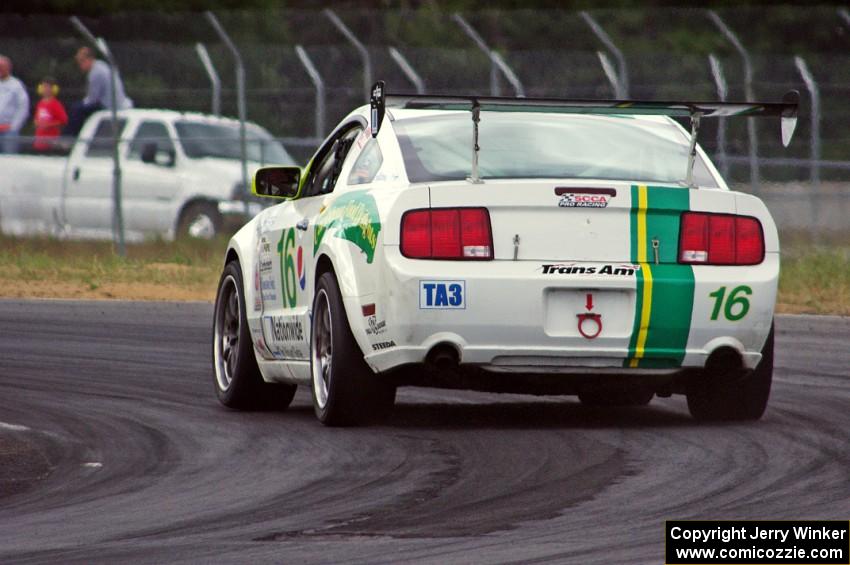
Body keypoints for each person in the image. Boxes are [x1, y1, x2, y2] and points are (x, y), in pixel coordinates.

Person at [64, 46, 133, 137]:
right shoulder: (101, 65)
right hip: (119, 103)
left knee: (76, 109)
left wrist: (82, 102)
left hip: (109, 105)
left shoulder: (95, 73)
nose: (80, 65)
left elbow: (92, 99)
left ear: (89, 59)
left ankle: (70, 137)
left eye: (81, 62)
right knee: (79, 108)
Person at [0, 55, 30, 154]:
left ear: (8, 68)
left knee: (9, 159)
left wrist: (14, 126)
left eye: (2, 67)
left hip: (8, 131)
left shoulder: (16, 85)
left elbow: (23, 107)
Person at [32, 77, 68, 152]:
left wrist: (48, 125)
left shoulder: (56, 104)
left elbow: (63, 121)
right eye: (43, 86)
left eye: (47, 87)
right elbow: (37, 119)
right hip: (39, 142)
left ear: (54, 89)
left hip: (51, 143)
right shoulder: (40, 103)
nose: (45, 89)